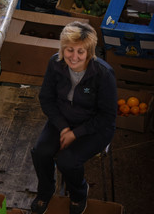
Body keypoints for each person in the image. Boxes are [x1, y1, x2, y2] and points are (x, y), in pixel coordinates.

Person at [31, 21, 117, 214]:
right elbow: (46, 99)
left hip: (95, 128)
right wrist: (63, 128)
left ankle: (79, 193)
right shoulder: (55, 64)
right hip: (63, 120)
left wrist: (76, 134)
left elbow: (107, 117)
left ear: (90, 52)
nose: (74, 57)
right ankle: (46, 190)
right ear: (63, 48)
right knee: (41, 152)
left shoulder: (103, 74)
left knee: (67, 161)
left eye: (81, 52)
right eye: (70, 50)